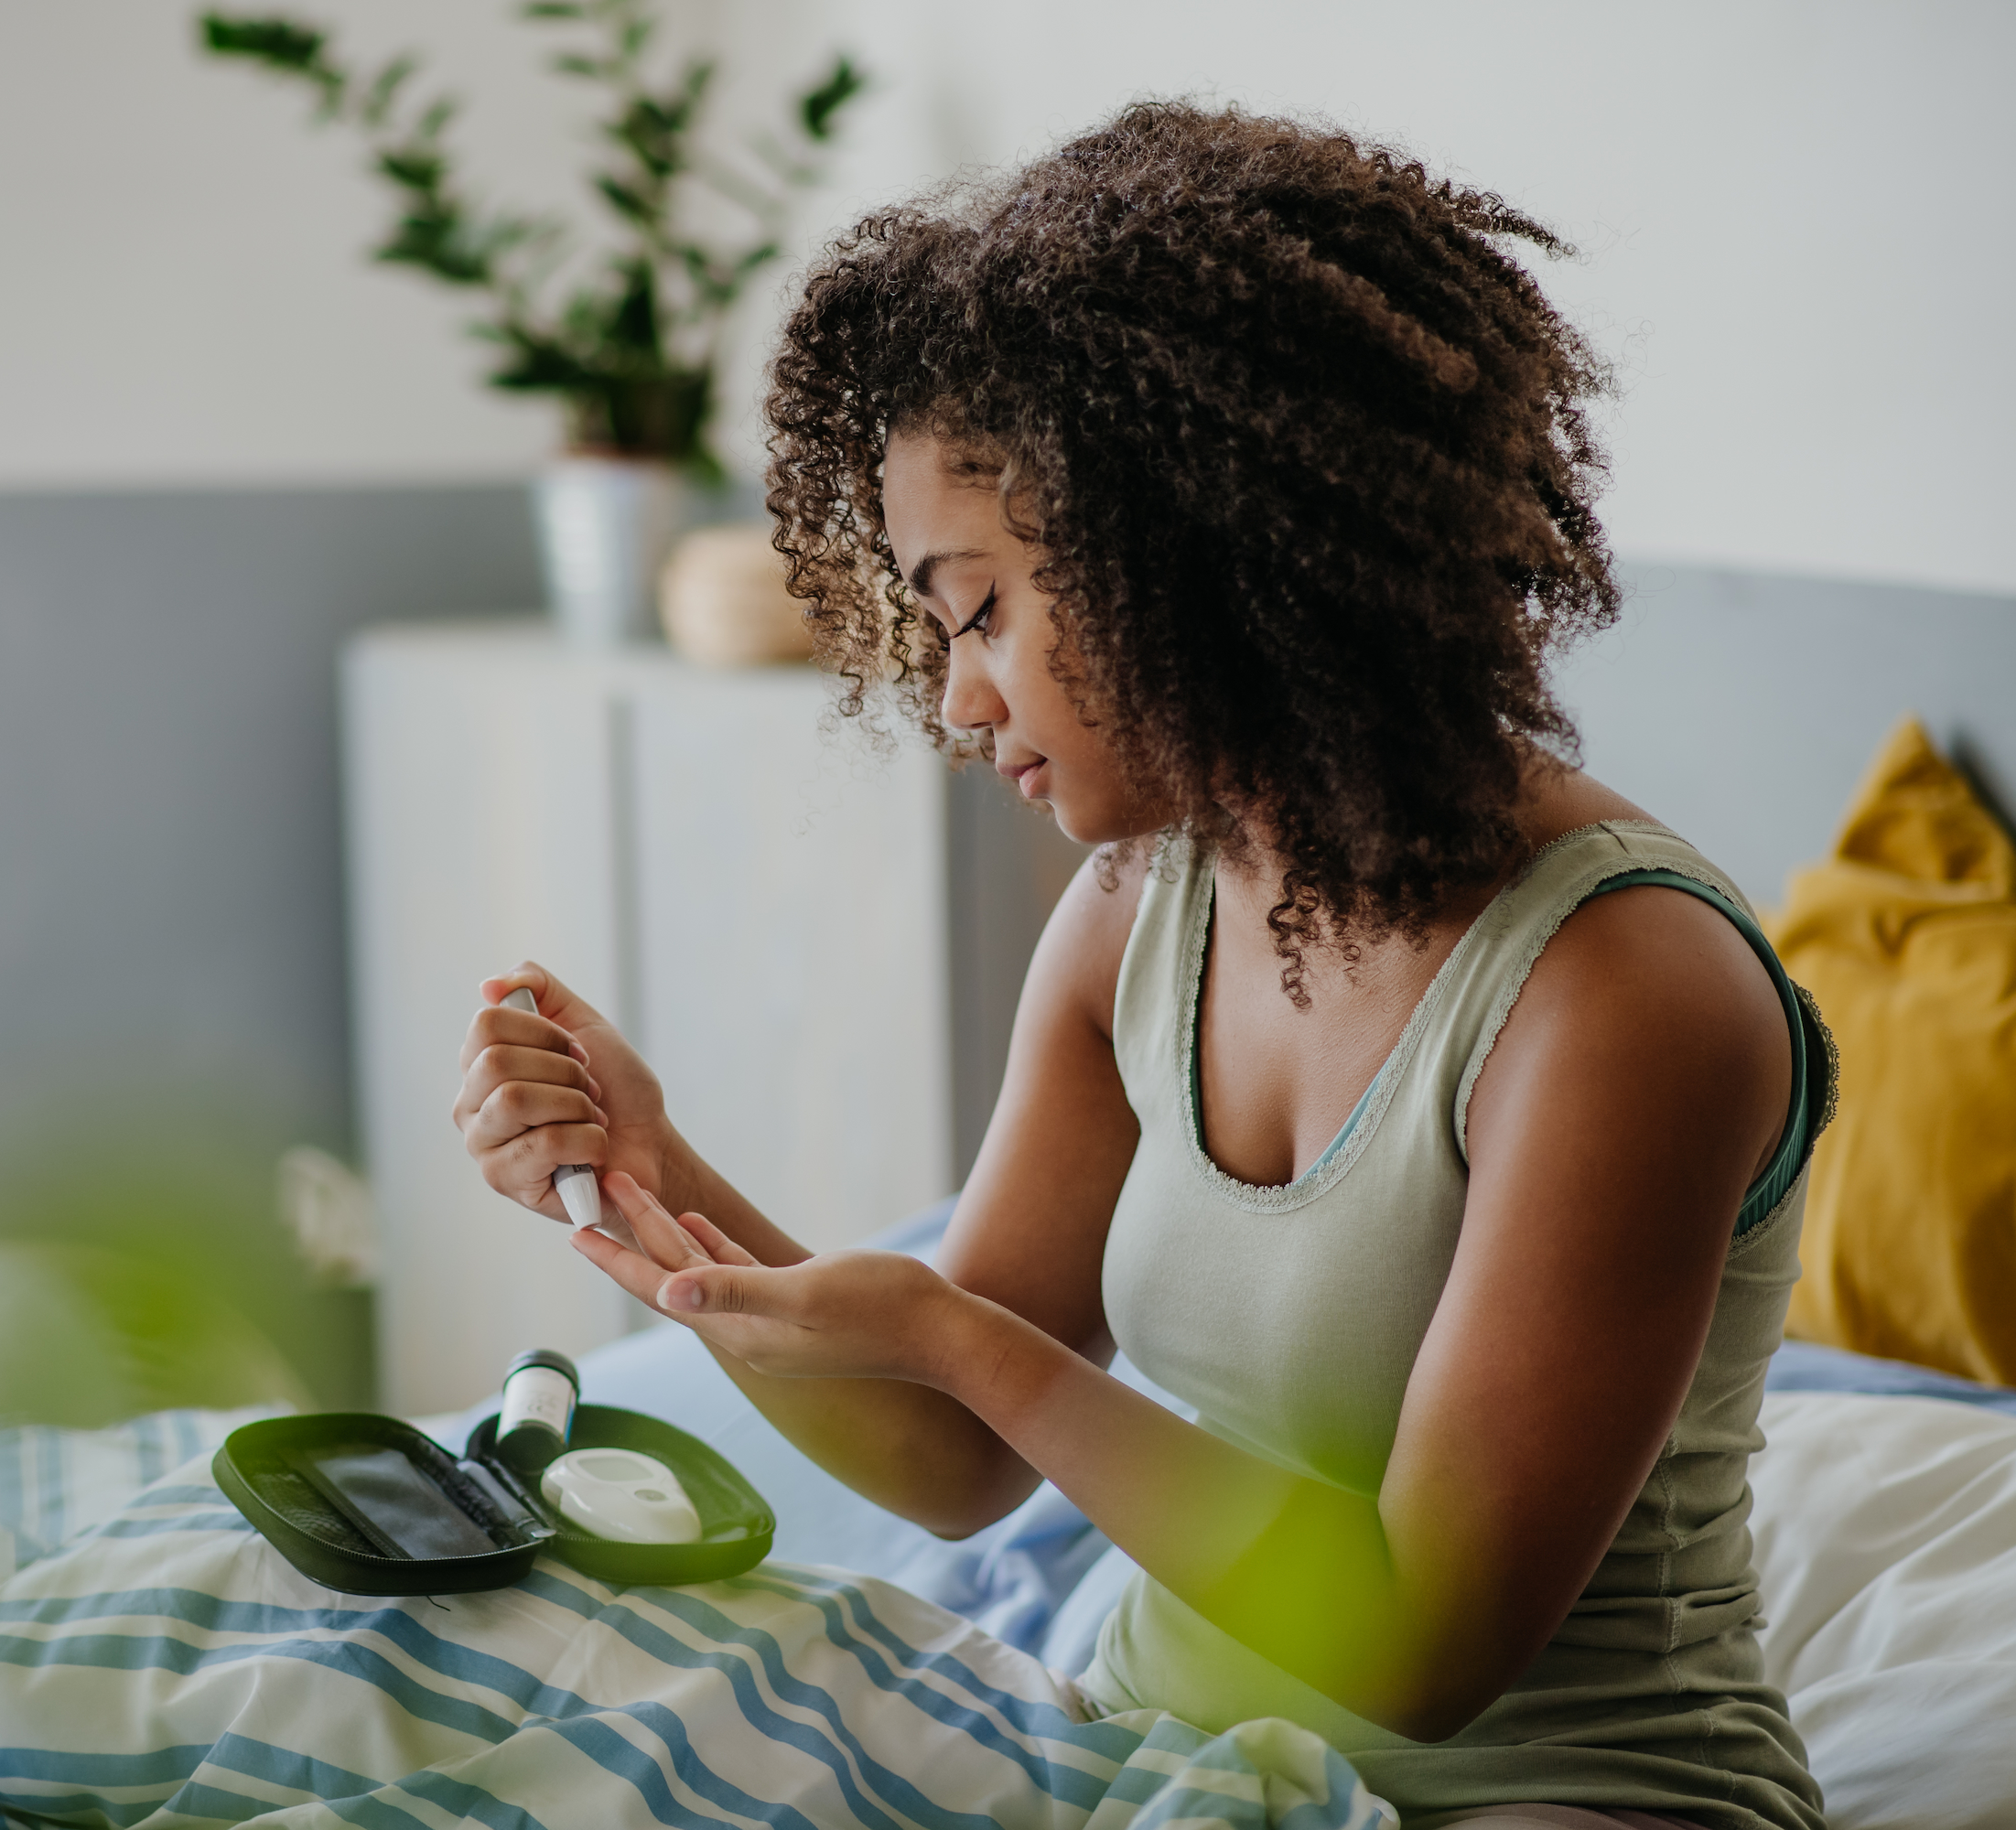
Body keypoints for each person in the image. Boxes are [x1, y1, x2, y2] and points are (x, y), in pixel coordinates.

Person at [458, 104, 1830, 1830]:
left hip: (1555, 1788)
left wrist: (971, 1345)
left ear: (1180, 553)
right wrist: (661, 1192)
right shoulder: (1136, 916)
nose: (956, 706)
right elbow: (952, 1469)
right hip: (1159, 1749)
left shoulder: (1625, 990)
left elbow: (1423, 1641)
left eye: (978, 615)